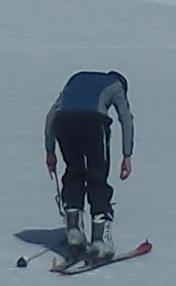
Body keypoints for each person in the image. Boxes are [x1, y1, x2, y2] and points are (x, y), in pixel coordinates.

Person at [44, 70, 133, 258]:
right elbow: (126, 118)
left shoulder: (76, 78)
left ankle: (74, 233)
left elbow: (52, 114)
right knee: (97, 175)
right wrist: (127, 155)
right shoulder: (117, 85)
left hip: (63, 122)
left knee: (74, 172)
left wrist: (50, 150)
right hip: (94, 123)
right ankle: (100, 241)